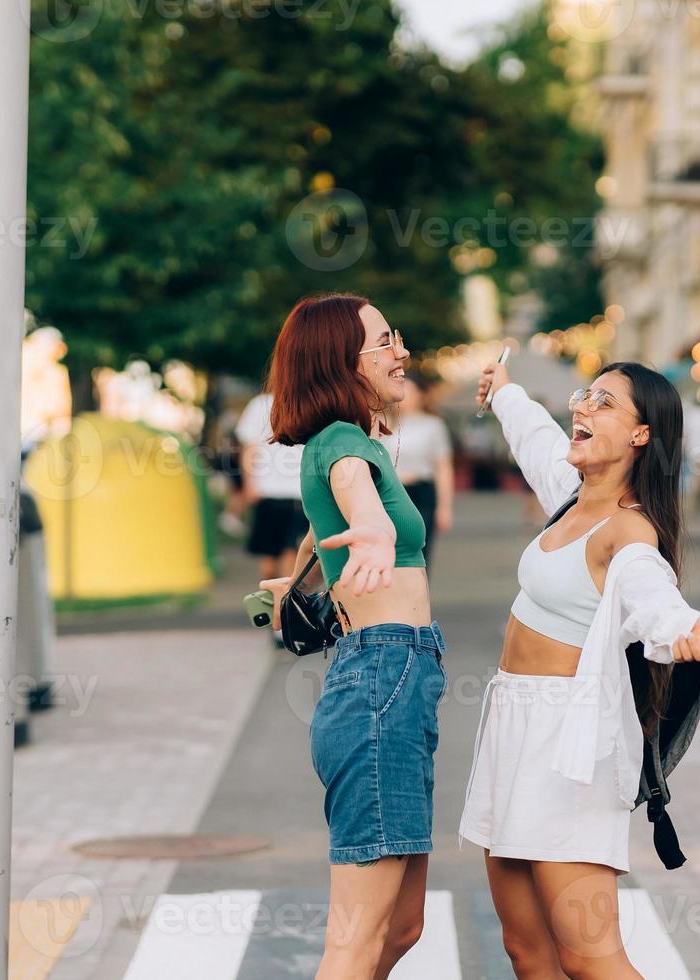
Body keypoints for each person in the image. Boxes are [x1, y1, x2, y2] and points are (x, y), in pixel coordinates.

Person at [461, 357, 700, 980]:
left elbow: (649, 590)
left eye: (604, 403)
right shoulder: (569, 500)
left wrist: (678, 627)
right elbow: (535, 438)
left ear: (642, 434)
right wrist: (504, 393)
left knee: (592, 960)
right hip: (511, 728)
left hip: (570, 749)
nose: (582, 408)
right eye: (585, 397)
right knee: (527, 953)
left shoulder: (627, 530)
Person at [260, 293, 444, 980]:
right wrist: (374, 529)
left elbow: (320, 525)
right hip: (380, 681)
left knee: (399, 927)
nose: (400, 351)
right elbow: (356, 501)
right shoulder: (341, 445)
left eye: (396, 335)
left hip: (397, 679)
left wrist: (301, 582)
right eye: (382, 342)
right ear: (342, 363)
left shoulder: (353, 444)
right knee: (356, 939)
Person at [378, 374, 454, 568]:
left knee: (419, 553)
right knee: (388, 552)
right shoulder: (382, 423)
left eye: (410, 391)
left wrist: (445, 507)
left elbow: (443, 467)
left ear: (421, 395)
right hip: (390, 493)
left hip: (421, 492)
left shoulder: (433, 425)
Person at [236, 390, 307, 585]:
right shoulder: (261, 405)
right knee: (270, 564)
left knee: (290, 558)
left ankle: (282, 610)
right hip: (268, 492)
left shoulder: (306, 400)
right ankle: (275, 606)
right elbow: (250, 448)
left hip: (297, 493)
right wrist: (250, 483)